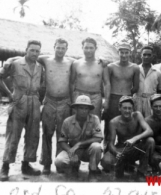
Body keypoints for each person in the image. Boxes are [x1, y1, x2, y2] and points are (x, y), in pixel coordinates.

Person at [4, 38, 75, 175]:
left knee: (51, 134)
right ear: (54, 47)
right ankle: (43, 164)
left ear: (66, 49)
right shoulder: (42, 60)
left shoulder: (67, 62)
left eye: (63, 48)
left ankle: (54, 163)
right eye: (58, 47)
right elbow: (22, 60)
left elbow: (85, 62)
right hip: (35, 101)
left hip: (53, 102)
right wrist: (8, 61)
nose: (60, 50)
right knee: (40, 133)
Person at [0, 40, 44, 181]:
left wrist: (40, 101)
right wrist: (8, 94)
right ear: (26, 50)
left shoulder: (39, 67)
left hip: (34, 102)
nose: (35, 53)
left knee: (33, 135)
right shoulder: (15, 63)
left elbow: (42, 86)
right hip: (18, 100)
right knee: (13, 135)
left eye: (37, 51)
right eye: (32, 50)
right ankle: (5, 167)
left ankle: (26, 165)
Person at [101, 96, 154, 181]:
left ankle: (141, 172)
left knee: (150, 141)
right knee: (106, 162)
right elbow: (111, 143)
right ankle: (126, 165)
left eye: (130, 108)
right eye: (124, 108)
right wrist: (116, 153)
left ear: (133, 109)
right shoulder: (114, 122)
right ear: (119, 108)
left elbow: (149, 131)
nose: (127, 111)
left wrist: (135, 138)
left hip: (136, 148)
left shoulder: (137, 115)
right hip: (122, 148)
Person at [54, 95, 103, 182]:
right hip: (74, 150)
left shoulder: (95, 119)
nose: (84, 111)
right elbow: (62, 141)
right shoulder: (67, 121)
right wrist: (70, 152)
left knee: (97, 147)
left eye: (86, 108)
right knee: (59, 161)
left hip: (88, 150)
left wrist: (80, 144)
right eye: (81, 108)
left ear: (89, 110)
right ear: (76, 108)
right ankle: (73, 169)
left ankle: (92, 171)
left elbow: (98, 138)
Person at [103, 43, 140, 149]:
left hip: (127, 99)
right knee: (109, 126)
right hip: (113, 98)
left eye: (126, 52)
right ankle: (107, 152)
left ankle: (125, 154)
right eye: (121, 52)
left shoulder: (135, 68)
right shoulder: (111, 67)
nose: (124, 55)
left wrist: (127, 95)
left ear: (130, 53)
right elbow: (106, 84)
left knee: (126, 125)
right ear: (118, 53)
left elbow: (136, 87)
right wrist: (107, 100)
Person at [70, 37, 110, 120]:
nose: (88, 50)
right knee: (77, 121)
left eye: (91, 48)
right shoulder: (76, 63)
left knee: (94, 121)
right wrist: (72, 98)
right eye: (86, 47)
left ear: (96, 48)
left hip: (95, 97)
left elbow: (106, 83)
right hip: (79, 95)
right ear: (82, 48)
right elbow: (72, 83)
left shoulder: (102, 64)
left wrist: (106, 100)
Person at [133, 45, 161, 117]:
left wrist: (156, 103)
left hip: (151, 102)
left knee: (150, 123)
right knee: (137, 123)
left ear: (152, 56)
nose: (146, 57)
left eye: (149, 55)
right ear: (141, 55)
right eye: (144, 55)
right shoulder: (135, 69)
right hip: (137, 101)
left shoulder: (157, 72)